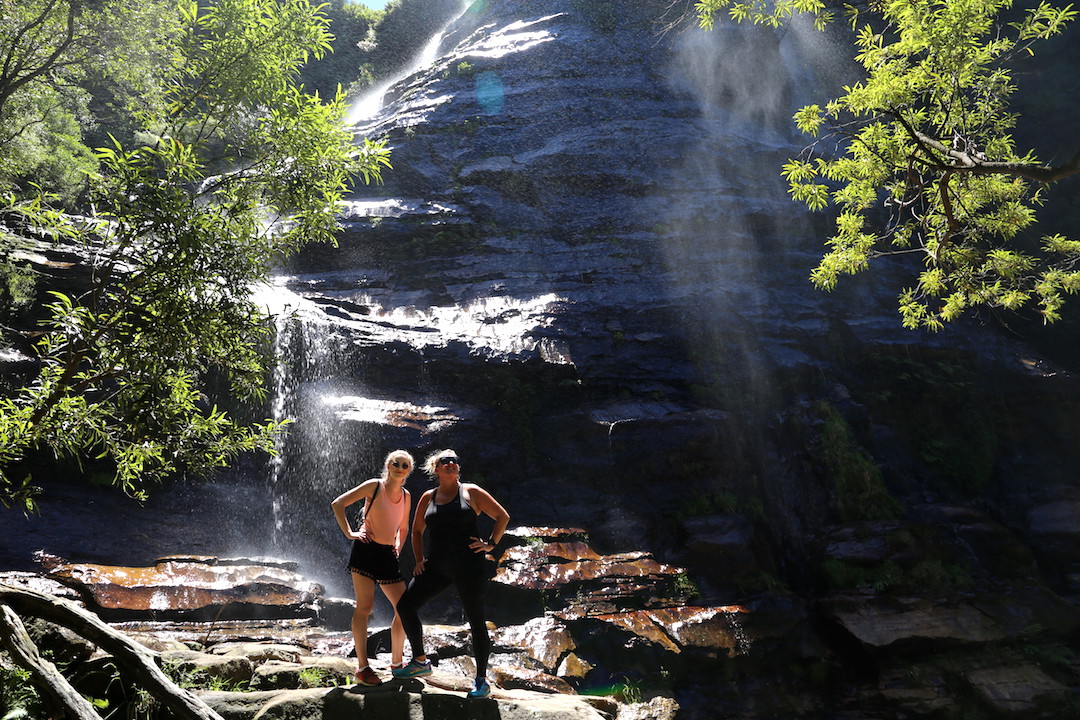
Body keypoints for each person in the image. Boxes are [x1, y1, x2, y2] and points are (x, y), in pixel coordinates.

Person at [392, 449, 510, 699]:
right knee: (405, 606)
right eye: (445, 461)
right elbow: (416, 532)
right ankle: (421, 662)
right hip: (436, 566)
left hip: (469, 566)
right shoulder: (428, 497)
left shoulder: (471, 492)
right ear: (436, 468)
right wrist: (419, 559)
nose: (451, 464)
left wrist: (490, 543)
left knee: (476, 620)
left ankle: (481, 681)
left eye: (455, 461)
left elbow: (502, 516)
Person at [330, 449, 414, 686]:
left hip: (387, 554)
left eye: (405, 465)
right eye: (396, 463)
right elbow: (338, 504)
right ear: (388, 465)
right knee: (365, 606)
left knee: (405, 607)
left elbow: (404, 527)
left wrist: (398, 546)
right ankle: (363, 667)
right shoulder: (374, 486)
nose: (400, 467)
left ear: (409, 470)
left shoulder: (407, 496)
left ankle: (397, 665)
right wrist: (350, 533)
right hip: (365, 551)